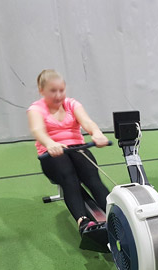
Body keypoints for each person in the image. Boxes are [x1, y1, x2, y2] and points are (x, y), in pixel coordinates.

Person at [27, 69, 110, 234]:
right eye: (53, 91)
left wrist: (97, 133)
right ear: (41, 91)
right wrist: (50, 143)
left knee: (92, 177)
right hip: (51, 153)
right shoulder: (36, 109)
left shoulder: (71, 104)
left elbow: (87, 122)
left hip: (76, 148)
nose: (58, 95)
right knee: (69, 178)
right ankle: (83, 222)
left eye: (61, 90)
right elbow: (37, 130)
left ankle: (116, 214)